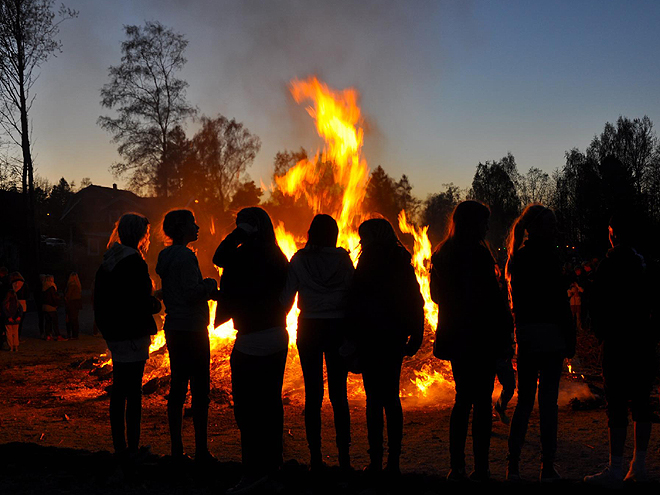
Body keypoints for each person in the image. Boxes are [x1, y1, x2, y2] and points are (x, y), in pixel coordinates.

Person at [430, 201, 513, 481]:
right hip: (481, 336)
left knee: (462, 400)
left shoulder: (442, 254)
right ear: (473, 223)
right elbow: (491, 301)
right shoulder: (478, 254)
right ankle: (481, 468)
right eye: (484, 222)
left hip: (456, 336)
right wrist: (504, 340)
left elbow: (435, 297)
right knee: (481, 402)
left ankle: (457, 467)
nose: (487, 227)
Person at [213, 207, 289, 493]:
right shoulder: (278, 255)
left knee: (247, 408)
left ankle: (252, 470)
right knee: (270, 404)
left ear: (251, 227)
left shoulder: (242, 255)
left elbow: (218, 257)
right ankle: (273, 465)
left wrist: (239, 234)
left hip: (250, 339)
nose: (238, 227)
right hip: (277, 336)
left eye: (241, 223)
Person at [584, 213, 658, 486]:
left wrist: (601, 335)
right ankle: (638, 465)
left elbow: (597, 304)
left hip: (617, 343)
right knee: (641, 402)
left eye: (611, 232)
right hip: (643, 342)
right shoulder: (646, 264)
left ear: (614, 234)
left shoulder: (609, 264)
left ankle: (616, 468)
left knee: (616, 404)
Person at [347, 218, 424, 478]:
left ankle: (377, 459)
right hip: (393, 337)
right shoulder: (401, 259)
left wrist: (352, 339)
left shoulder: (367, 260)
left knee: (374, 400)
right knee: (391, 398)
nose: (361, 241)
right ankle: (393, 461)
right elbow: (415, 298)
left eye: (363, 236)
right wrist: (416, 332)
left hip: (371, 338)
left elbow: (356, 302)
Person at [505, 204, 575, 482]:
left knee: (526, 402)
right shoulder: (546, 258)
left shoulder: (518, 258)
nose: (553, 230)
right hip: (547, 336)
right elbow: (558, 303)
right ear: (534, 228)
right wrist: (569, 337)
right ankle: (546, 466)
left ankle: (514, 466)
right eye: (549, 224)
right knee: (546, 404)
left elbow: (520, 305)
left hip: (529, 337)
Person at [280, 214, 354, 471]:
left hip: (310, 327)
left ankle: (316, 458)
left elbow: (287, 297)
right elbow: (353, 292)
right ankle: (344, 459)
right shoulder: (343, 259)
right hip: (337, 326)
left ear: (311, 233)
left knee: (313, 395)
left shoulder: (299, 259)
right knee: (339, 394)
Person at [94, 213, 161, 461]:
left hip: (116, 334)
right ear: (138, 234)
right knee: (133, 393)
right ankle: (132, 448)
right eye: (145, 233)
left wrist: (108, 329)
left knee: (121, 391)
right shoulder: (134, 262)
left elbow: (101, 301)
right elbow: (139, 301)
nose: (146, 238)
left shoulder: (108, 261)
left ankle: (120, 447)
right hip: (133, 335)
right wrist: (156, 304)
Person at [156, 209, 218, 465]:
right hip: (192, 328)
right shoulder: (184, 255)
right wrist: (210, 286)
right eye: (193, 223)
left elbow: (175, 289)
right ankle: (201, 451)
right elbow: (192, 293)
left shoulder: (165, 255)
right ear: (182, 228)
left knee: (178, 387)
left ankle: (176, 449)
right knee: (200, 389)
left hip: (173, 327)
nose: (198, 227)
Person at [42, 275, 65, 341]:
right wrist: (56, 304)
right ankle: (58, 335)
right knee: (55, 322)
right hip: (51, 307)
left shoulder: (44, 286)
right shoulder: (51, 287)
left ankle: (48, 335)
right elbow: (53, 297)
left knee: (48, 322)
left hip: (45, 306)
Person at [10, 272, 28, 339]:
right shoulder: (24, 285)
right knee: (20, 321)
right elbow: (27, 295)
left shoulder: (11, 285)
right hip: (22, 303)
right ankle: (17, 336)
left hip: (13, 303)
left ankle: (12, 336)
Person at [65, 272, 83, 339]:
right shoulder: (78, 285)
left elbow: (68, 295)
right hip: (77, 303)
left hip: (72, 303)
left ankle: (72, 334)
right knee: (75, 319)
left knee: (71, 319)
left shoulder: (71, 285)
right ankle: (75, 334)